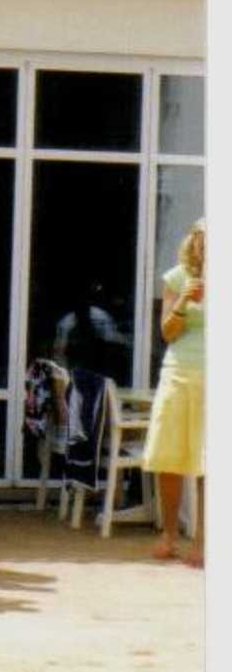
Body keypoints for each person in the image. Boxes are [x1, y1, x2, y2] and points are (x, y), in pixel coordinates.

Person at [144, 219, 205, 567]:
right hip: (178, 373)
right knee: (169, 456)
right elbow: (167, 332)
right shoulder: (177, 277)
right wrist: (183, 300)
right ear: (194, 241)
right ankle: (168, 535)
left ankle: (203, 542)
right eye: (203, 238)